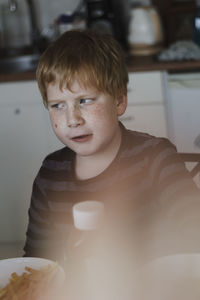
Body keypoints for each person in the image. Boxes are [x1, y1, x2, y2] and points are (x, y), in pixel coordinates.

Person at [24, 29, 200, 265]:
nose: (72, 119)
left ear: (119, 101)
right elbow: (37, 261)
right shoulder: (49, 175)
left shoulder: (155, 157)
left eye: (84, 101)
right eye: (57, 105)